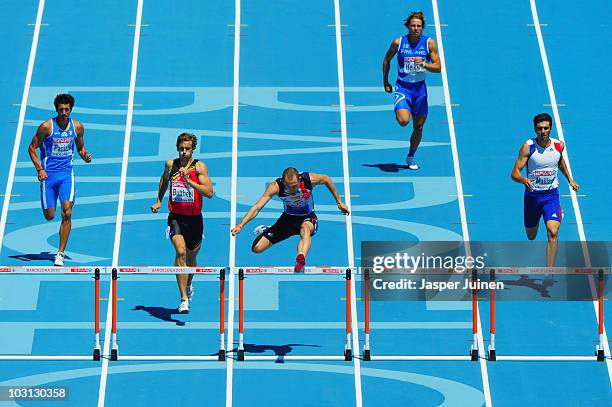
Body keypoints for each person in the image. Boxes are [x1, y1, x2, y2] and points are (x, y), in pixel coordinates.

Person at [231, 168, 350, 272]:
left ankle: (301, 258)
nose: (292, 189)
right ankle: (267, 230)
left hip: (307, 217)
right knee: (256, 249)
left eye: (295, 185)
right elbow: (257, 207)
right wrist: (241, 225)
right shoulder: (276, 187)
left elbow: (326, 179)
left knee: (305, 229)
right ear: (283, 182)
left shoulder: (309, 179)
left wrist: (339, 202)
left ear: (299, 179)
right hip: (287, 219)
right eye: (289, 186)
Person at [150, 133, 213, 313]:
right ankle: (183, 298)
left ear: (193, 149)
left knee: (192, 258)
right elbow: (163, 181)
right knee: (180, 251)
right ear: (177, 148)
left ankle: (188, 285)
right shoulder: (171, 165)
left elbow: (209, 193)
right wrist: (159, 200)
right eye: (181, 149)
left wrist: (189, 181)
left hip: (195, 219)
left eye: (187, 149)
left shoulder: (199, 167)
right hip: (176, 217)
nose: (184, 152)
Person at [27, 94, 92, 266]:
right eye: (61, 109)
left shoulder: (77, 127)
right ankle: (48, 201)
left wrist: (85, 155)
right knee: (49, 215)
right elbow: (31, 148)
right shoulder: (46, 127)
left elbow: (80, 147)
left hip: (66, 175)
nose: (64, 112)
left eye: (67, 109)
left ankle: (60, 253)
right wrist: (40, 169)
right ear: (56, 109)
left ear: (71, 109)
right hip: (48, 176)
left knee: (67, 212)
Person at [511, 113, 579, 267]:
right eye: (540, 128)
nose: (543, 131)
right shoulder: (528, 147)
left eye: (546, 128)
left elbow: (559, 161)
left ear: (550, 129)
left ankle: (549, 270)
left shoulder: (558, 145)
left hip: (551, 195)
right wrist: (523, 180)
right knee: (531, 236)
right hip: (532, 198)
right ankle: (542, 218)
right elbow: (514, 173)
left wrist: (570, 179)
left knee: (553, 232)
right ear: (535, 129)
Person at [382, 11, 441, 170]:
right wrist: (386, 82)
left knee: (419, 127)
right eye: (413, 26)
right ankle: (400, 107)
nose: (416, 28)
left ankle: (411, 156)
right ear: (408, 26)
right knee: (403, 121)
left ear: (422, 28)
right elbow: (387, 59)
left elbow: (438, 67)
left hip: (420, 90)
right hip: (403, 88)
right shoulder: (398, 43)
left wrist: (424, 64)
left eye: (419, 26)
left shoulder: (429, 43)